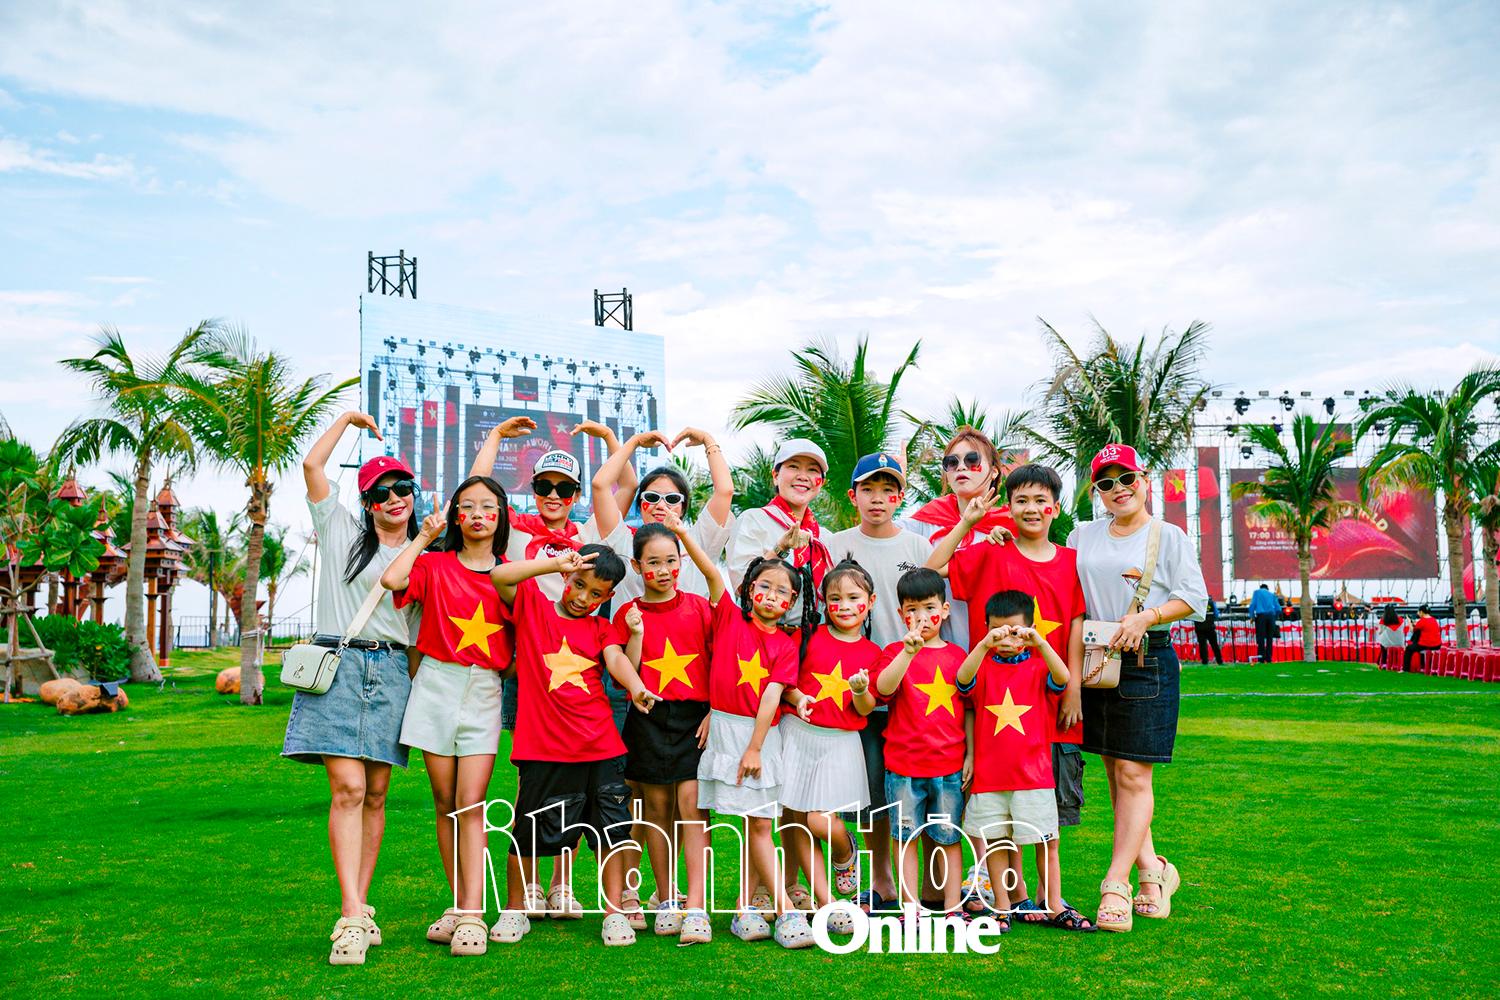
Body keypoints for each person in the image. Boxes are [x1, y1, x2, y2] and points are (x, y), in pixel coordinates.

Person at [925, 463, 1088, 926]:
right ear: (1008, 507)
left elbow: (1075, 624)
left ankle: (1048, 899)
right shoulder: (990, 551)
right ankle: (1008, 899)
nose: (1031, 509)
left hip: (1048, 701)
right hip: (993, 707)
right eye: (1021, 500)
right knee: (998, 808)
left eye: (1041, 501)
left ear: (1055, 508)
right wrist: (971, 527)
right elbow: (932, 569)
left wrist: (1072, 687)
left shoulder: (1070, 561)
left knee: (1047, 810)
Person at [285, 412, 420, 966]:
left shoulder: (425, 554)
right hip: (338, 666)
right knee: (348, 790)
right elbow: (313, 464)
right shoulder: (341, 530)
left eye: (403, 488)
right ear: (366, 502)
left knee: (378, 794)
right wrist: (347, 419)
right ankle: (349, 912)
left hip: (391, 673)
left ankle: (363, 907)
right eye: (381, 491)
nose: (394, 497)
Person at [488, 544, 660, 947]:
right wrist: (553, 562)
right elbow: (500, 577)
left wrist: (636, 687)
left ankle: (614, 913)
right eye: (578, 584)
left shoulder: (602, 629)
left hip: (601, 747)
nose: (584, 598)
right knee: (527, 830)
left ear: (609, 596)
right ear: (566, 576)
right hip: (542, 749)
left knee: (612, 834)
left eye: (596, 593)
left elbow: (617, 660)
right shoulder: (534, 606)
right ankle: (515, 909)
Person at [1069, 444, 1207, 933]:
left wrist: (1147, 615)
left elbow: (1194, 596)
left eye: (1125, 477)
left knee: (1133, 775)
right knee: (1114, 771)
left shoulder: (1167, 536)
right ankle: (1155, 872)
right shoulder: (1082, 534)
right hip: (1093, 657)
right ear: (1096, 492)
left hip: (1146, 657)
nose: (1118, 489)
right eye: (1105, 483)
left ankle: (1117, 884)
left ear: (1143, 478)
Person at [380, 476, 513, 956]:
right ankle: (458, 905)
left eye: (488, 507)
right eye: (468, 506)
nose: (478, 514)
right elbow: (393, 580)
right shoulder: (434, 564)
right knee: (444, 802)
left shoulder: (509, 574)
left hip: (483, 687)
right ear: (456, 516)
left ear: (500, 518)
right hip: (434, 682)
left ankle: (474, 915)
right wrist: (422, 536)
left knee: (470, 802)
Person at [825, 452, 932, 911]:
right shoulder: (835, 544)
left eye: (888, 490)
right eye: (868, 489)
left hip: (915, 682)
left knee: (918, 783)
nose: (878, 498)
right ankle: (884, 882)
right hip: (861, 681)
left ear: (900, 497)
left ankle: (930, 885)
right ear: (853, 496)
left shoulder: (918, 547)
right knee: (872, 790)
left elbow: (934, 604)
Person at [696, 556, 816, 949]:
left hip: (759, 737)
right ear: (749, 590)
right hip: (727, 732)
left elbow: (771, 695)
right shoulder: (729, 618)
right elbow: (713, 573)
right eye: (764, 586)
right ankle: (747, 908)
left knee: (761, 825)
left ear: (793, 600)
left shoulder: (786, 642)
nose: (771, 596)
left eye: (783, 591)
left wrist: (755, 747)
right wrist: (681, 533)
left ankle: (781, 909)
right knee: (751, 827)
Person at [957, 590, 1094, 933]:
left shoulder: (1036, 667)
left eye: (1015, 631)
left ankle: (1054, 904)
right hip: (990, 778)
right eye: (997, 631)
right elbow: (962, 679)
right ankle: (1001, 907)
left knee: (1047, 841)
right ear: (987, 630)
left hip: (1033, 776)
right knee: (995, 841)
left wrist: (1040, 643)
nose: (1007, 639)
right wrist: (984, 645)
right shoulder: (983, 667)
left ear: (1030, 629)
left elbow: (1062, 678)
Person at [610, 518, 716, 943]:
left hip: (695, 719)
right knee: (654, 809)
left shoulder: (700, 607)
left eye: (670, 561)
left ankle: (696, 904)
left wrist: (716, 712)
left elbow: (720, 661)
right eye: (652, 562)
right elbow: (629, 671)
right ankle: (666, 896)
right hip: (649, 716)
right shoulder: (628, 613)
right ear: (637, 567)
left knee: (692, 806)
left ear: (682, 561)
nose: (663, 569)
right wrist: (635, 634)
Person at [778, 559, 881, 928]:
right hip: (798, 736)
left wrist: (861, 690)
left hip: (840, 743)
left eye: (854, 597)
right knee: (795, 818)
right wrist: (797, 697)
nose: (844, 605)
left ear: (869, 601)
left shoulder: (873, 653)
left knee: (820, 821)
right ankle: (827, 902)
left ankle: (846, 848)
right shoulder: (807, 637)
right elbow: (785, 681)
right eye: (835, 598)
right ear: (823, 601)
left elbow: (866, 708)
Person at [873, 568, 969, 917]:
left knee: (949, 836)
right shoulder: (894, 651)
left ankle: (953, 906)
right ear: (901, 614)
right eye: (911, 610)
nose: (920, 617)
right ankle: (909, 907)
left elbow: (970, 709)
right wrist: (907, 653)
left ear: (944, 610)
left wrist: (970, 755)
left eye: (928, 608)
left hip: (949, 766)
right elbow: (883, 689)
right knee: (904, 837)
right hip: (903, 766)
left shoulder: (959, 656)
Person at [592, 426, 737, 605]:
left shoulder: (698, 541)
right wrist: (634, 442)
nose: (660, 505)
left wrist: (708, 440)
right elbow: (600, 485)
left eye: (672, 499)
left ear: (683, 508)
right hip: (631, 632)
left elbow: (725, 490)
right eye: (651, 498)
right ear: (639, 505)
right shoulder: (622, 542)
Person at [725, 438, 831, 622]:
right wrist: (779, 549)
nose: (803, 476)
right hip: (761, 636)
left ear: (821, 482)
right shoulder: (754, 520)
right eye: (794, 467)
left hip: (811, 641)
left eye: (812, 470)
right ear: (775, 475)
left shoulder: (825, 537)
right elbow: (743, 587)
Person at [1403, 604, 1443, 672]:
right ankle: (1424, 666)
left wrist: (1409, 622)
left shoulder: (1422, 621)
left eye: (1418, 612)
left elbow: (1412, 630)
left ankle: (1406, 669)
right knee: (1417, 646)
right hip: (1437, 645)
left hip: (1426, 645)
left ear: (1421, 612)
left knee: (1409, 648)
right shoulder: (1434, 620)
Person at [1249, 583, 1280, 663]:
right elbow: (1278, 609)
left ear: (1260, 588)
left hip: (1261, 617)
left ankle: (1261, 658)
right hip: (1271, 617)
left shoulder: (1257, 592)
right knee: (1270, 638)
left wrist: (1252, 616)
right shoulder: (1272, 595)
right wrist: (1274, 617)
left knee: (1261, 638)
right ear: (1267, 588)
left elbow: (1252, 605)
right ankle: (1269, 658)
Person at [1195, 596, 1225, 665]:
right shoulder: (1211, 603)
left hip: (1199, 627)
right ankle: (1219, 661)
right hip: (1210, 627)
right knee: (1214, 645)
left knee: (1202, 646)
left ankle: (1204, 662)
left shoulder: (1196, 603)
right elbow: (1216, 614)